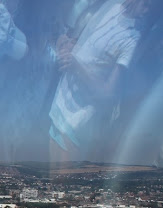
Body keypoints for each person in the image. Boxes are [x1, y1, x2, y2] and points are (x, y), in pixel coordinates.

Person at [48, 0, 153, 162]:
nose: (147, 10)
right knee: (48, 185)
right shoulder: (110, 5)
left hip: (77, 122)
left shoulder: (132, 40)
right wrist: (67, 45)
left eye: (151, 6)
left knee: (62, 186)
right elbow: (82, 41)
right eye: (145, 4)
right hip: (60, 106)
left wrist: (76, 66)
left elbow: (107, 94)